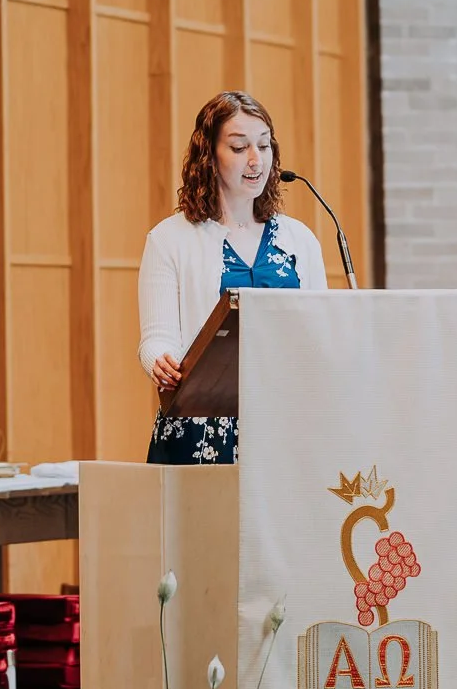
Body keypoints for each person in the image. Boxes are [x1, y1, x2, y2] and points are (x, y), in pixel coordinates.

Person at [138, 91, 328, 464]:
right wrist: (160, 361)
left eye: (264, 145)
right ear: (209, 156)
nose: (256, 160)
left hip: (283, 422)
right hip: (201, 426)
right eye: (239, 147)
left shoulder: (299, 239)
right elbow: (157, 337)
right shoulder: (169, 238)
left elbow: (320, 328)